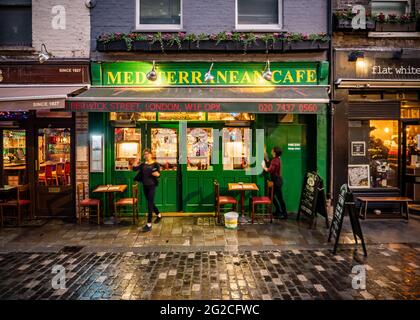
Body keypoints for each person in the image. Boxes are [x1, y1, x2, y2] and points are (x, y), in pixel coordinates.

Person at [133, 148, 162, 232]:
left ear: (151, 154)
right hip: (145, 186)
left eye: (147, 154)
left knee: (149, 204)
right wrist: (136, 159)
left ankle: (149, 224)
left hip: (152, 186)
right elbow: (134, 168)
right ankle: (159, 215)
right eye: (145, 154)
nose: (146, 155)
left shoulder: (155, 164)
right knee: (151, 202)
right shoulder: (143, 164)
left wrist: (157, 174)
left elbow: (159, 174)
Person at [262, 147, 288, 219]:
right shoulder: (276, 159)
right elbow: (272, 166)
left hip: (277, 181)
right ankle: (278, 211)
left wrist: (264, 167)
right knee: (272, 196)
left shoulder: (275, 160)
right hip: (277, 181)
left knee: (279, 198)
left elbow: (270, 170)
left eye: (272, 150)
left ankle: (284, 214)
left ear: (274, 152)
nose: (271, 150)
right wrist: (267, 159)